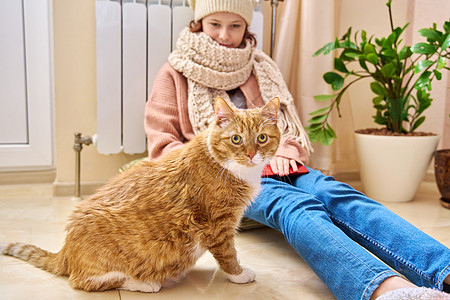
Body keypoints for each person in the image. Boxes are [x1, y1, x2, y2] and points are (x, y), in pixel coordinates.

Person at [143, 0, 450, 299]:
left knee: (339, 194)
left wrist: (283, 155)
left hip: (278, 163)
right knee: (298, 207)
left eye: (235, 25)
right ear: (198, 24)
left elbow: (286, 129)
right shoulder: (174, 73)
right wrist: (218, 162)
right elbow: (161, 149)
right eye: (215, 24)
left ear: (247, 26)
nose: (225, 35)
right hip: (226, 181)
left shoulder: (261, 68)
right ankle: (385, 291)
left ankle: (443, 269)